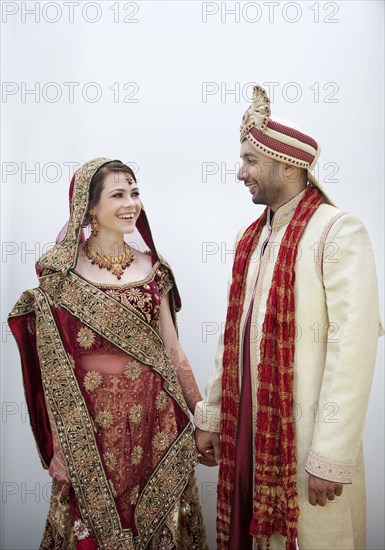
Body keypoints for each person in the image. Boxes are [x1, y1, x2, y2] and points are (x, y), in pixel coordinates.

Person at [194, 85, 383, 550]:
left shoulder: (337, 232)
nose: (240, 173)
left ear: (288, 165)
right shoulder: (251, 237)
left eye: (250, 161)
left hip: (303, 445)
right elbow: (231, 337)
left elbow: (353, 348)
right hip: (248, 437)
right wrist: (213, 414)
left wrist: (330, 455)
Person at [9, 158, 208, 550]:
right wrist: (58, 442)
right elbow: (52, 370)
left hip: (157, 421)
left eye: (134, 193)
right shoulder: (60, 279)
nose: (130, 203)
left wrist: (203, 417)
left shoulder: (154, 269)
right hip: (91, 430)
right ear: (89, 206)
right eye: (117, 194)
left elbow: (173, 350)